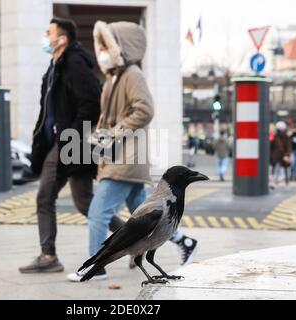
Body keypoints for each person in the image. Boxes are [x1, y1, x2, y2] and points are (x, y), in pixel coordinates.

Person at [67, 21, 199, 282]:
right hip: (118, 157)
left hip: (126, 158)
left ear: (121, 47)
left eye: (106, 45)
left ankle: (97, 266)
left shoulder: (132, 75)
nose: (101, 51)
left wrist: (113, 132)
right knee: (148, 215)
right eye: (100, 45)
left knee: (98, 212)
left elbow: (145, 110)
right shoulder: (115, 77)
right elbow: (110, 118)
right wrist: (98, 137)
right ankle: (183, 241)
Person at [19, 18, 125, 274]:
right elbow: (47, 111)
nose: (45, 36)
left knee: (45, 195)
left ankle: (48, 255)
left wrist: (70, 136)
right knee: (85, 203)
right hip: (67, 142)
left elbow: (91, 102)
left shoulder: (74, 63)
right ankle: (133, 238)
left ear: (62, 39)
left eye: (49, 32)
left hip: (72, 142)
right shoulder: (55, 66)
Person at [271, 122, 292, 186]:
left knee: (283, 168)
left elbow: (288, 147)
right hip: (278, 155)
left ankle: (284, 180)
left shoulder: (284, 137)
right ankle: (277, 180)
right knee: (278, 168)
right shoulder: (275, 137)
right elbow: (272, 147)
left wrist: (287, 155)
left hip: (282, 155)